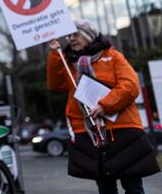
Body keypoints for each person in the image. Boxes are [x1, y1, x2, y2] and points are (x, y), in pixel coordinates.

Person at [47, 20, 159, 194]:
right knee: (105, 187)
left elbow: (130, 85)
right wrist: (55, 55)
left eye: (76, 34)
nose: (71, 39)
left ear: (89, 36)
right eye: (68, 36)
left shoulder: (113, 56)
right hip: (91, 131)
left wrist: (104, 105)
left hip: (122, 128)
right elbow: (56, 85)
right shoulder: (69, 63)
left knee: (132, 186)